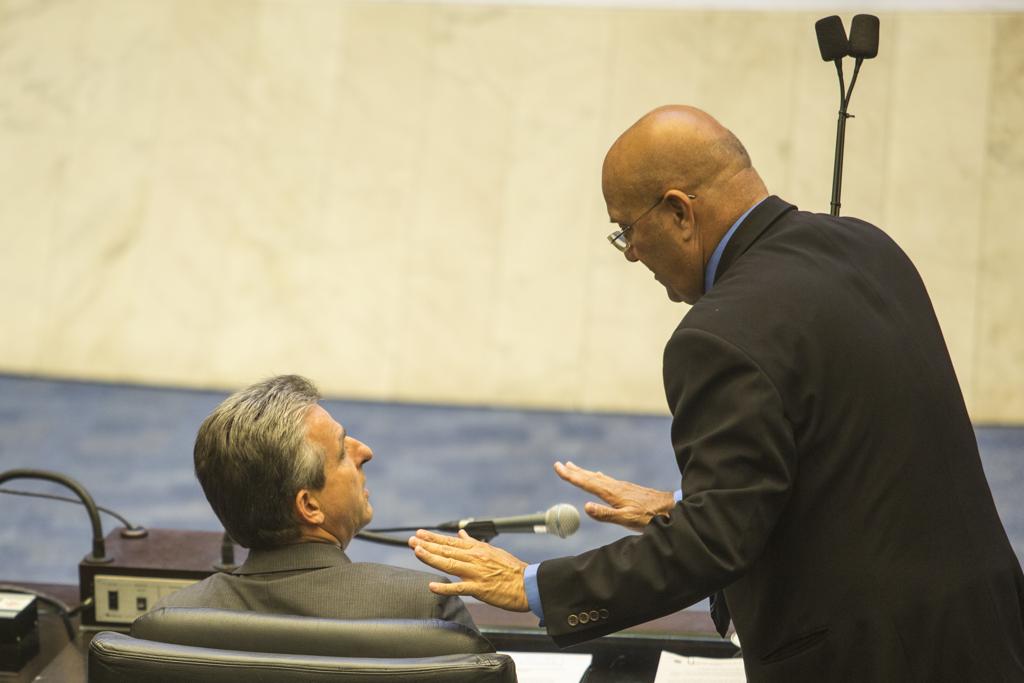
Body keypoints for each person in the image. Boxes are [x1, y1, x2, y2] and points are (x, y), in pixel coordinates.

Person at [409, 105, 1024, 681]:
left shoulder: (719, 333)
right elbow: (856, 464)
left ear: (679, 212)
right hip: (989, 631)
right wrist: (681, 503)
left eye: (626, 230)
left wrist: (536, 586)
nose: (631, 256)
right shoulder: (872, 249)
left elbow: (714, 544)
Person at [158, 374, 476, 632]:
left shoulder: (172, 622)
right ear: (309, 506)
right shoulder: (425, 609)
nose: (364, 451)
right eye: (341, 451)